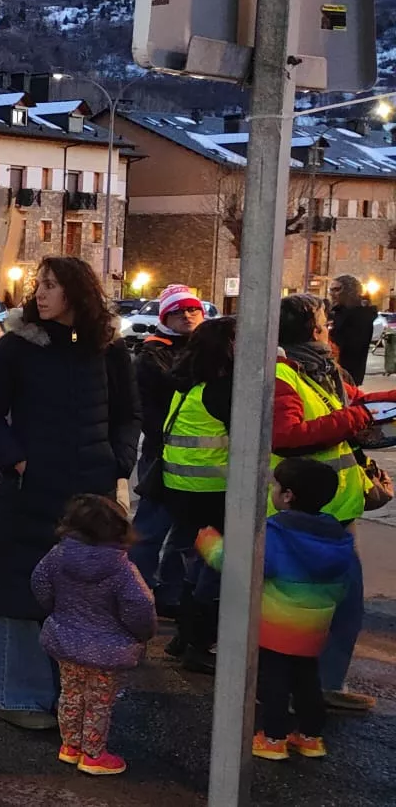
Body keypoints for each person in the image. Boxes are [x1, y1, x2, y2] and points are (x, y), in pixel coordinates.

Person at [0, 256, 139, 730]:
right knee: (20, 588)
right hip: (29, 492)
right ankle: (18, 697)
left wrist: (118, 460)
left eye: (50, 285)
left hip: (92, 494)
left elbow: (129, 413)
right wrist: (17, 459)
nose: (40, 294)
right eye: (38, 285)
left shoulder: (108, 349)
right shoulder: (16, 348)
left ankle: (71, 700)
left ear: (76, 293)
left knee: (81, 596)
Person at [270, 293, 396, 711]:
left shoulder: (322, 369)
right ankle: (300, 693)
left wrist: (383, 401)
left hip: (334, 507)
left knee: (335, 605)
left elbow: (351, 399)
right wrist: (357, 418)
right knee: (322, 607)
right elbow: (286, 435)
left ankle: (308, 687)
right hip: (303, 513)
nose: (330, 325)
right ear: (311, 328)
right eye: (324, 319)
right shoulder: (285, 374)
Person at [195, 457, 353, 761]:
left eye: (275, 486)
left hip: (278, 626)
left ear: (287, 495)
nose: (273, 490)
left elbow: (245, 566)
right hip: (314, 627)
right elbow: (343, 583)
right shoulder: (336, 536)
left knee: (274, 681)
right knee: (307, 680)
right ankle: (310, 737)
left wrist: (210, 544)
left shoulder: (276, 532)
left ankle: (273, 737)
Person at [30, 493, 156, 777]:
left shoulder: (57, 555)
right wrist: (142, 634)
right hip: (107, 649)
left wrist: (57, 611)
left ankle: (70, 746)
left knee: (71, 693)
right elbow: (140, 607)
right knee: (99, 701)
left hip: (66, 641)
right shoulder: (121, 569)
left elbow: (39, 582)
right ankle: (93, 754)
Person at [156, 316, 237, 674]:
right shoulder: (221, 390)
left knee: (197, 560)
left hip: (181, 488)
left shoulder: (186, 384)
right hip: (212, 490)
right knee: (217, 565)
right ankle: (199, 641)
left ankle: (184, 636)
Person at [129, 284, 205, 613]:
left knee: (186, 533)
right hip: (161, 452)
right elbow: (173, 386)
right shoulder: (153, 353)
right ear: (165, 317)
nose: (187, 316)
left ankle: (169, 594)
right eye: (178, 312)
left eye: (193, 310)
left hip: (197, 459)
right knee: (151, 527)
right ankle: (136, 591)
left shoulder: (205, 348)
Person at [326, 275, 378, 386]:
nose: (332, 293)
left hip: (347, 372)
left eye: (337, 289)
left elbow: (352, 346)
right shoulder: (336, 313)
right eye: (330, 289)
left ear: (350, 291)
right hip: (332, 370)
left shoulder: (361, 315)